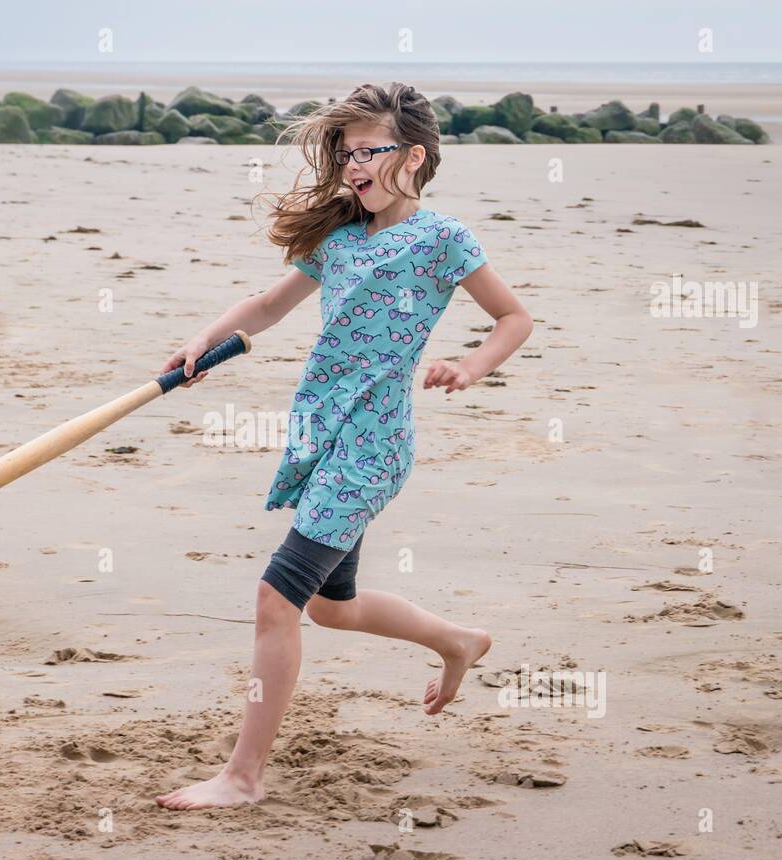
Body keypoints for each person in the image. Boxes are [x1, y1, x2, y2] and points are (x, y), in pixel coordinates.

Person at [156, 82, 534, 810]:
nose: (353, 166)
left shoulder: (442, 239)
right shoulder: (339, 240)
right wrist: (205, 339)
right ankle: (457, 640)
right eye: (346, 154)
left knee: (277, 599)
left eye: (367, 151)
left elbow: (514, 317)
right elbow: (268, 306)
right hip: (321, 434)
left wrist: (471, 365)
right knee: (333, 607)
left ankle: (242, 777)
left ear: (412, 157)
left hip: (372, 447)